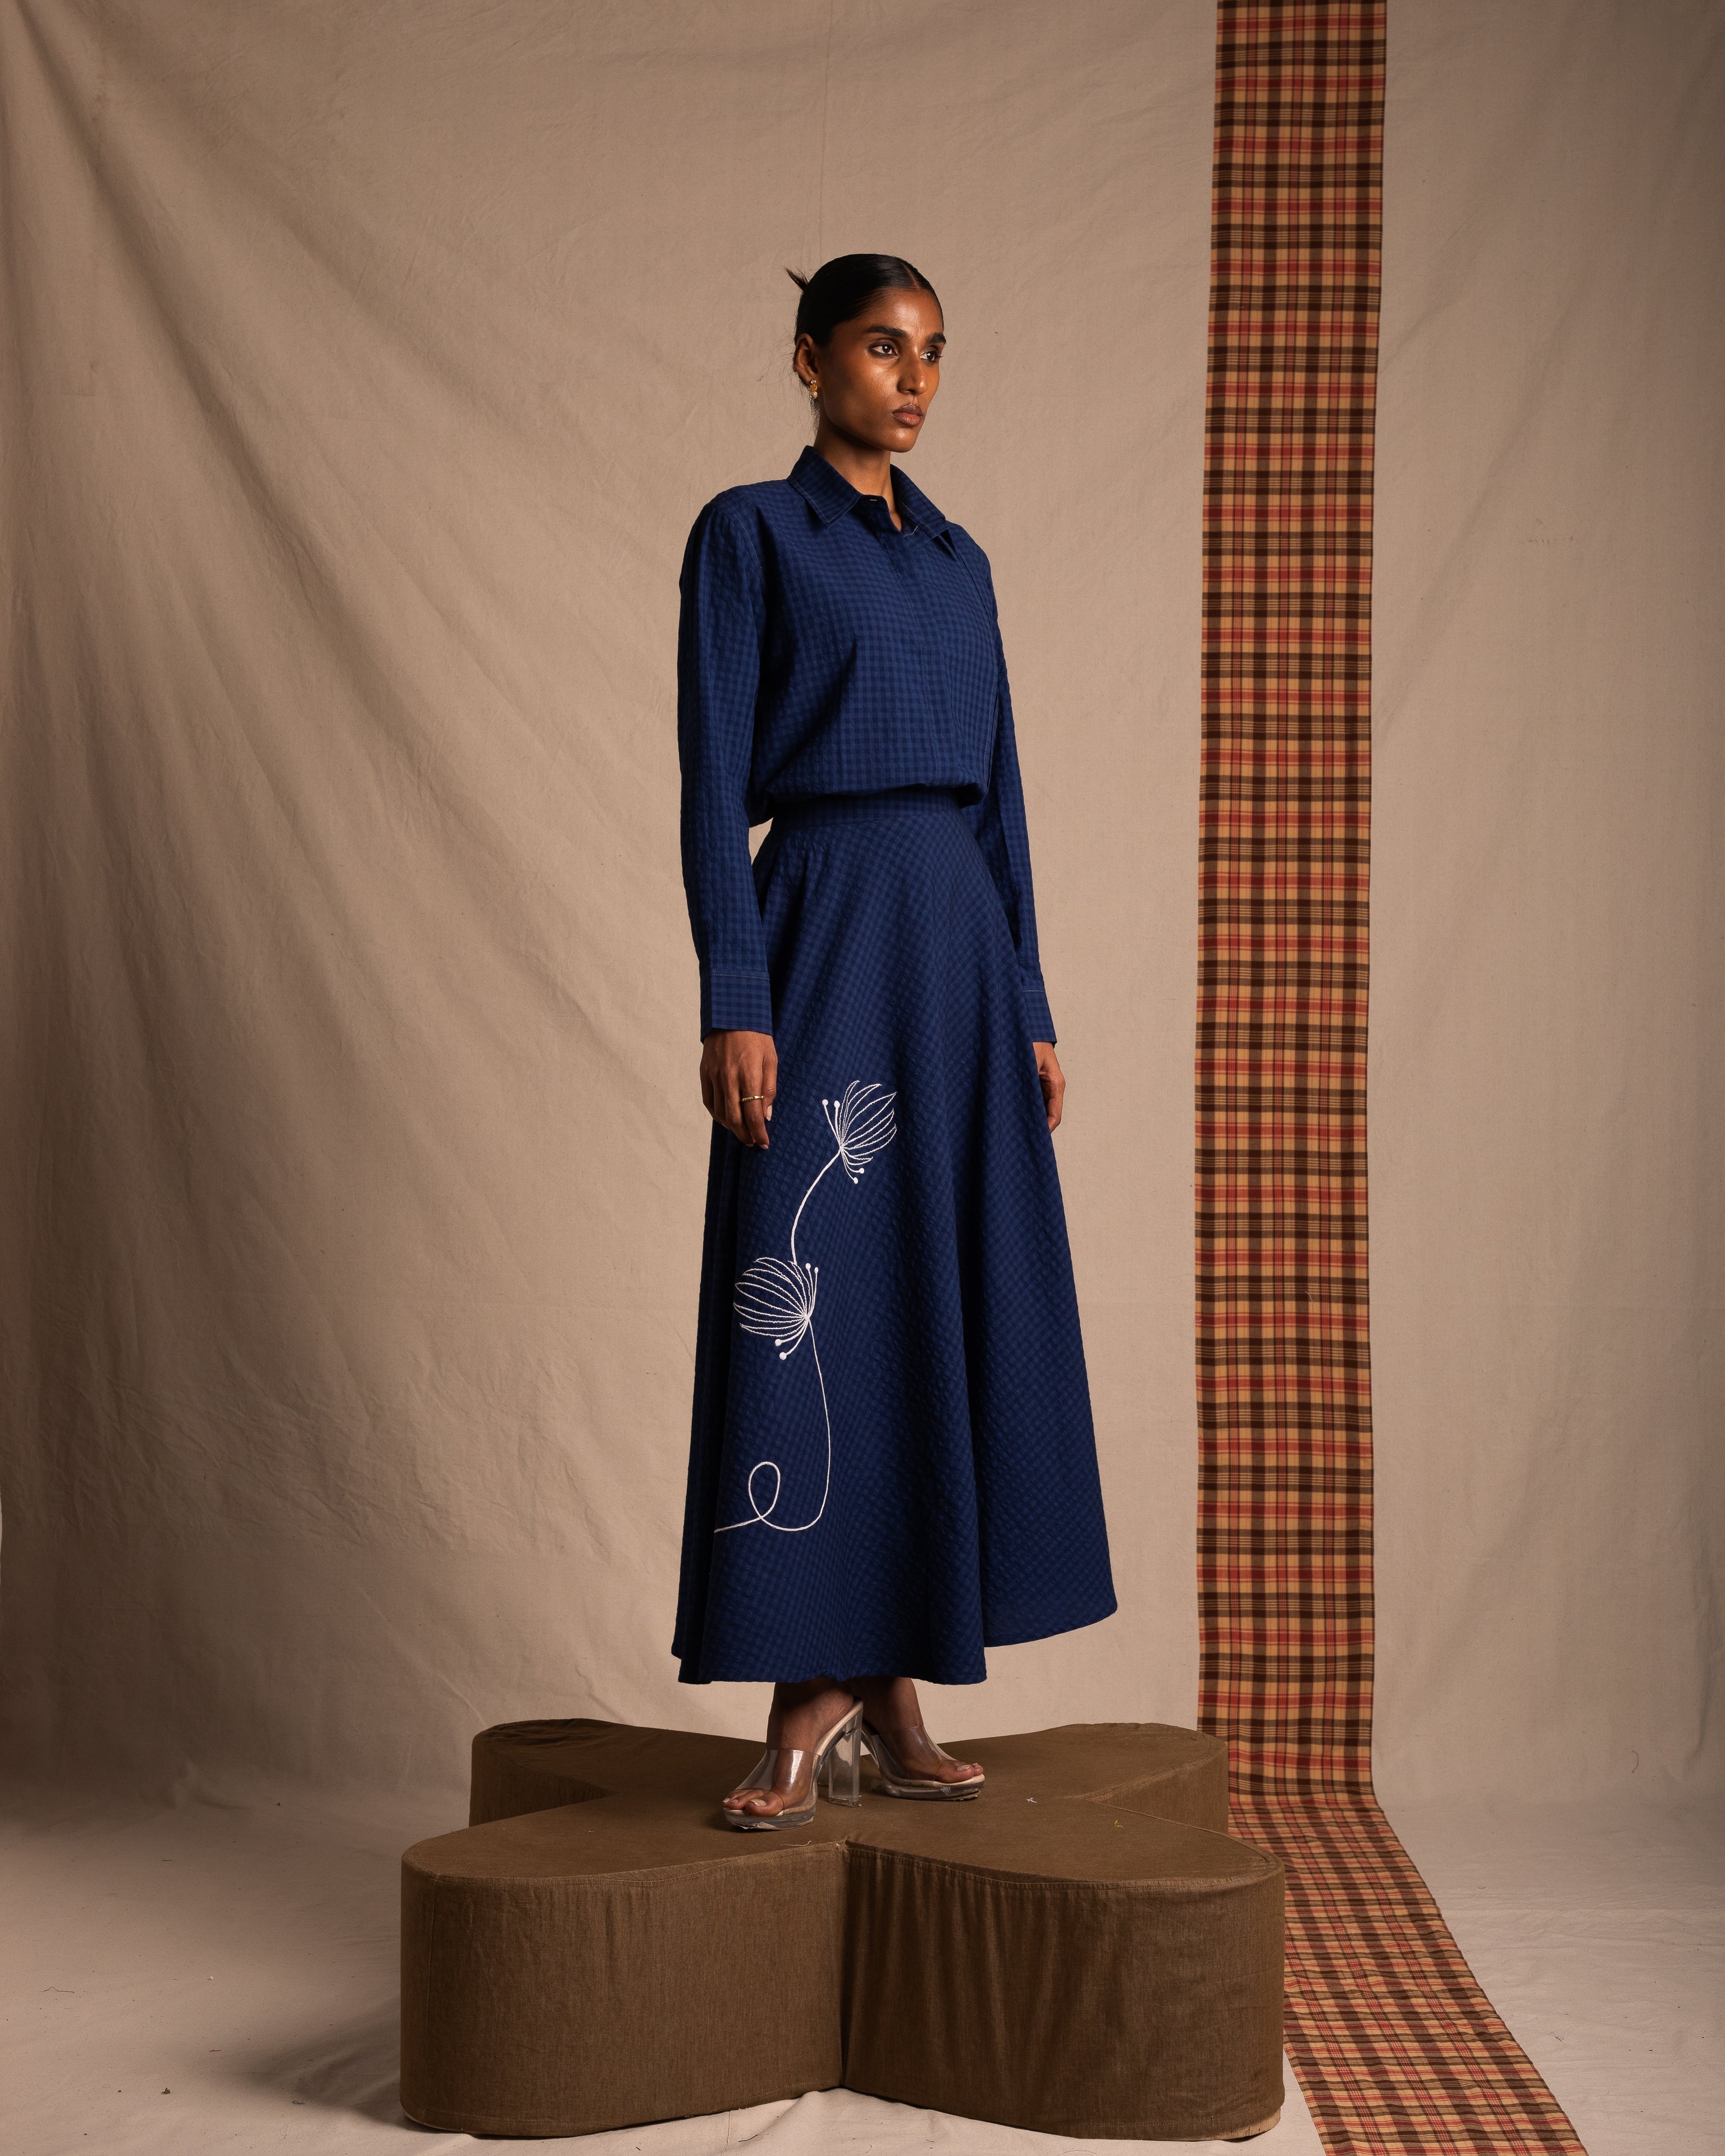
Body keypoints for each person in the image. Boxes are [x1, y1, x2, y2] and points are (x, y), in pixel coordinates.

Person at [672, 253, 1116, 1828]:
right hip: (827, 929)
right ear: (810, 361)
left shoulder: (959, 561)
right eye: (881, 346)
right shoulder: (750, 534)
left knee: (943, 1290)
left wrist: (1033, 1005)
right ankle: (811, 1690)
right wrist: (736, 992)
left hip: (961, 956)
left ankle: (899, 1682)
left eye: (932, 352)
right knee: (825, 1287)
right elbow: (711, 778)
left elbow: (1006, 800)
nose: (913, 378)